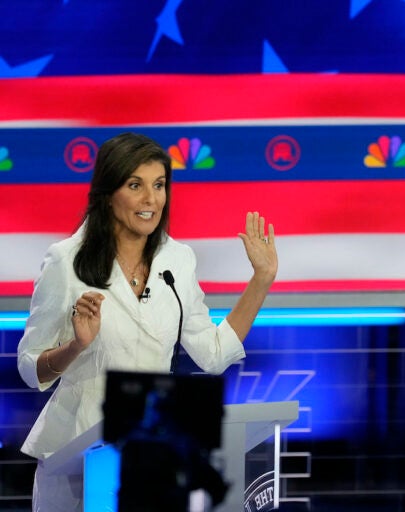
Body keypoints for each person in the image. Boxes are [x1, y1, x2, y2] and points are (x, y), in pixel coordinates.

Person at [16, 132, 278, 511]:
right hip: (77, 459)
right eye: (135, 185)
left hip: (151, 460)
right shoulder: (65, 260)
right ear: (108, 192)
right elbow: (30, 366)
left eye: (159, 185)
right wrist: (76, 346)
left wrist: (261, 280)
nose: (151, 200)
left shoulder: (178, 259)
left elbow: (214, 354)